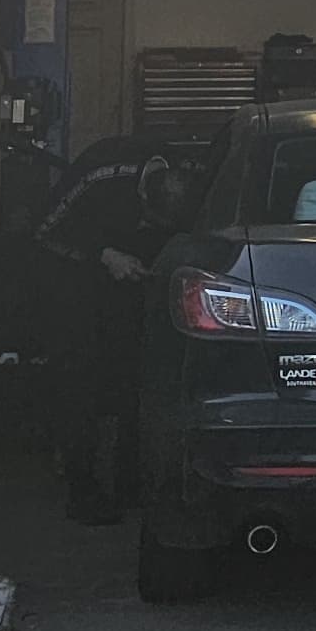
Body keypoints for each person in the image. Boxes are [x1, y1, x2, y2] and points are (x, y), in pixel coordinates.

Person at [32, 140, 193, 524]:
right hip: (75, 282)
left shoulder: (190, 172)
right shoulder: (98, 177)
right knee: (79, 380)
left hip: (136, 289)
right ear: (142, 198)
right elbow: (44, 230)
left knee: (136, 379)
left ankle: (131, 483)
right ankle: (82, 489)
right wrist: (104, 255)